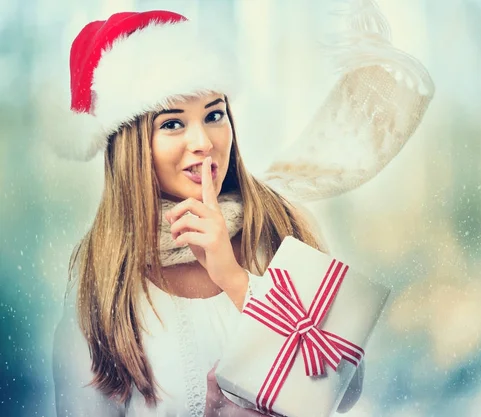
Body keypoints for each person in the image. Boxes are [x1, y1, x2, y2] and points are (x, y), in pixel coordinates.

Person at [50, 3, 434, 417]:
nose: (203, 140)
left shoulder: (281, 227)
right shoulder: (104, 278)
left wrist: (235, 280)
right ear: (130, 147)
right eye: (173, 123)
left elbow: (345, 385)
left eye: (214, 114)